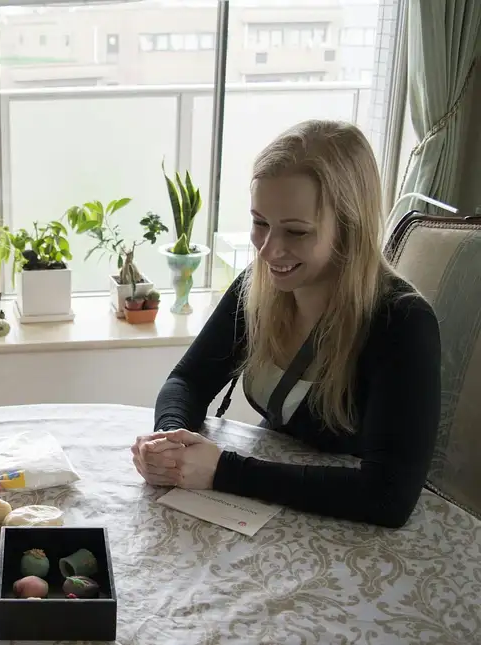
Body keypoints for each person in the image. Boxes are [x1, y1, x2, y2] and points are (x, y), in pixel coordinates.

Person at [131, 119, 440, 529]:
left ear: (349, 229)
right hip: (273, 509)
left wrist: (224, 470)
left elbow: (389, 495)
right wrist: (171, 442)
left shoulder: (402, 322)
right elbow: (188, 381)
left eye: (295, 231)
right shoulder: (256, 288)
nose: (269, 250)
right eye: (260, 223)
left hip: (353, 532)